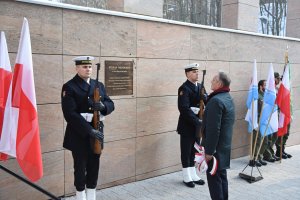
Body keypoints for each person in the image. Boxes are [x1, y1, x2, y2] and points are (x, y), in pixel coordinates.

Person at [61, 56, 114, 200]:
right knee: (80, 168)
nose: (88, 69)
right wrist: (89, 130)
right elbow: (70, 114)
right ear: (77, 68)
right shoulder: (69, 87)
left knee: (94, 167)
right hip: (80, 134)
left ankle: (91, 196)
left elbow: (110, 103)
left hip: (97, 131)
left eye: (90, 67)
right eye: (84, 67)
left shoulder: (99, 85)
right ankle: (80, 196)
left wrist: (103, 107)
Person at [201, 72, 235, 200]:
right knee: (222, 178)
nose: (211, 81)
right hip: (224, 147)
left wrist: (209, 151)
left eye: (214, 80)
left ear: (219, 84)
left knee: (214, 181)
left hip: (215, 150)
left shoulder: (215, 100)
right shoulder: (227, 97)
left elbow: (214, 129)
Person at [177, 63, 206, 188]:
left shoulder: (200, 86)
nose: (197, 74)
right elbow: (183, 108)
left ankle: (193, 174)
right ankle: (186, 176)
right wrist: (197, 121)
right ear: (188, 74)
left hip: (198, 126)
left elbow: (207, 100)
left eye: (198, 72)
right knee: (186, 151)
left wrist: (205, 98)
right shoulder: (184, 88)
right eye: (194, 72)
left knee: (195, 151)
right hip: (188, 125)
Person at [252, 80, 268, 166]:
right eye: (265, 85)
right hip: (258, 119)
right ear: (261, 86)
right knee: (257, 140)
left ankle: (260, 156)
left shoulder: (266, 96)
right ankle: (254, 158)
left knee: (265, 141)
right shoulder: (257, 96)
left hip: (264, 120)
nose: (266, 86)